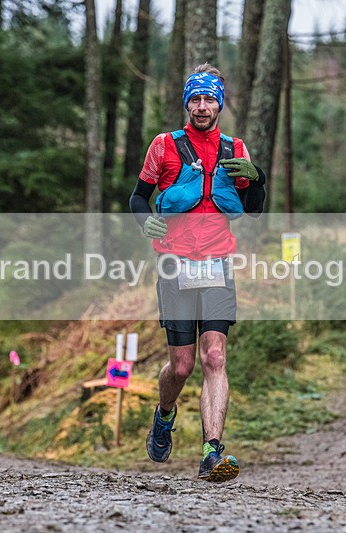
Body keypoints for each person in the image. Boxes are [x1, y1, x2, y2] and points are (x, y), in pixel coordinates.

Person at [129, 63, 265, 482]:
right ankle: (165, 414)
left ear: (220, 104)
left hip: (218, 263)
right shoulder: (164, 146)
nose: (202, 106)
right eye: (196, 99)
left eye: (210, 99)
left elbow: (255, 209)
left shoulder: (234, 149)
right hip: (175, 263)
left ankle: (211, 452)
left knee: (215, 355)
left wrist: (258, 178)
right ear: (186, 102)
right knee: (182, 366)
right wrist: (144, 221)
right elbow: (138, 197)